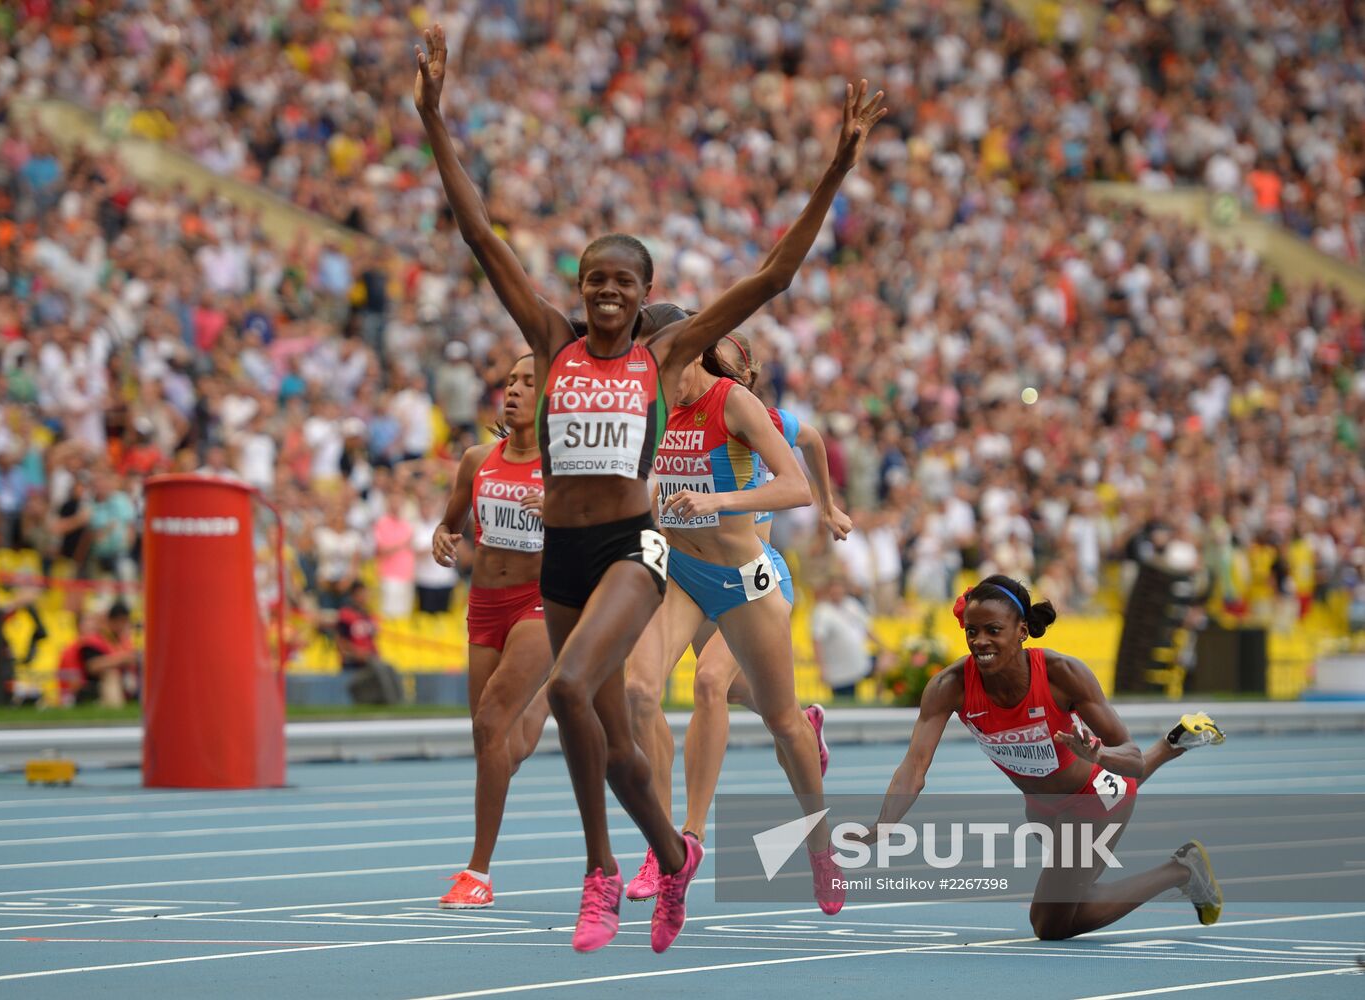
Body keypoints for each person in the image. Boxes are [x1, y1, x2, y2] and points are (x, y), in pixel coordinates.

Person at [416, 22, 885, 953]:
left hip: (636, 550)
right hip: (564, 551)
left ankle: (604, 876)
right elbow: (477, 232)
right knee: (609, 723)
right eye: (593, 279)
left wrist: (836, 166)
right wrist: (432, 116)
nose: (605, 293)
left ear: (644, 294)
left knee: (569, 693)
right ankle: (667, 857)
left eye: (622, 283)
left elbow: (775, 275)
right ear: (578, 285)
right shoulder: (548, 341)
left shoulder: (666, 356)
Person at [859, 575, 1228, 941]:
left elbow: (1130, 758)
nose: (980, 641)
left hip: (1094, 802)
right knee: (1072, 892)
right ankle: (1170, 745)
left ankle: (1181, 870)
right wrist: (886, 821)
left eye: (993, 630)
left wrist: (1098, 753)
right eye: (971, 631)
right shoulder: (949, 686)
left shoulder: (1062, 675)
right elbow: (914, 766)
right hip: (1041, 810)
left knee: (1049, 923)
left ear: (1021, 630)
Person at [622, 340, 844, 911]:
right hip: (686, 571)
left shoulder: (752, 412)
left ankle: (820, 845)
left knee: (732, 695)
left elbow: (812, 445)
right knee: (643, 689)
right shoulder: (660, 411)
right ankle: (675, 842)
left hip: (753, 576)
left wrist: (826, 505)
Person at [431, 354, 552, 909]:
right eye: (510, 381)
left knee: (490, 722)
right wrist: (442, 536)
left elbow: (609, 525)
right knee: (501, 743)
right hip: (484, 605)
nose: (514, 390)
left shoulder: (565, 467)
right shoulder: (477, 458)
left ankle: (477, 872)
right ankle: (552, 690)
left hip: (540, 604)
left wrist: (560, 511)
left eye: (529, 382)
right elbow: (451, 520)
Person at [57, 601, 139, 708]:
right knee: (111, 674)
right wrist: (122, 660)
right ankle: (115, 709)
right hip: (83, 689)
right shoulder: (90, 643)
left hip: (111, 686)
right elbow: (92, 666)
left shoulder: (115, 641)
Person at [334, 581, 402, 705]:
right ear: (353, 596)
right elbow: (341, 643)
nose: (365, 597)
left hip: (369, 661)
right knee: (380, 669)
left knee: (389, 668)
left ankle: (399, 702)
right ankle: (390, 701)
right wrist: (358, 654)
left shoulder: (367, 615)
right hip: (354, 664)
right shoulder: (346, 615)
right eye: (362, 594)